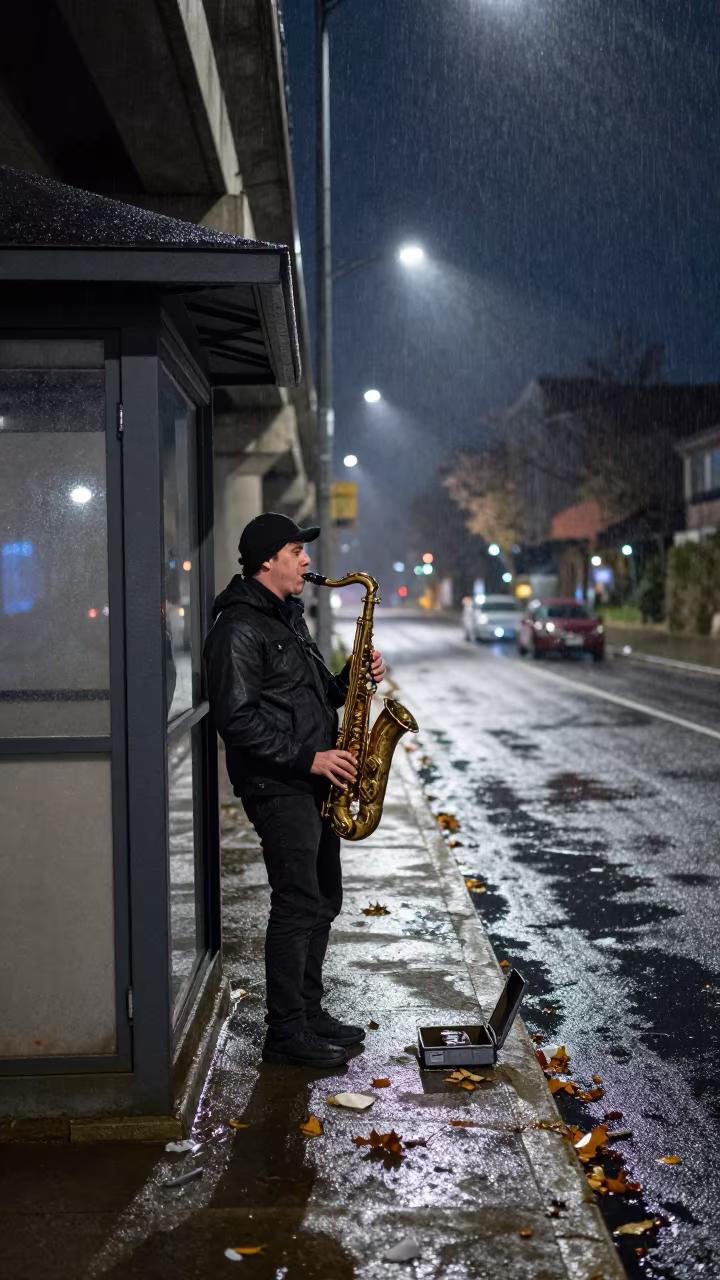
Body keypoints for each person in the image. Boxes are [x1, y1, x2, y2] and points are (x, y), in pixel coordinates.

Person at [204, 512, 385, 1068]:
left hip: (311, 779)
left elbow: (311, 698)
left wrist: (354, 673)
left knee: (323, 898)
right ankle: (286, 1033)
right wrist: (310, 758)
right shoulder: (238, 627)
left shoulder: (285, 618)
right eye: (296, 551)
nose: (307, 561)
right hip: (278, 783)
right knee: (297, 902)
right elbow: (236, 720)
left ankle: (308, 1011)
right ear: (267, 560)